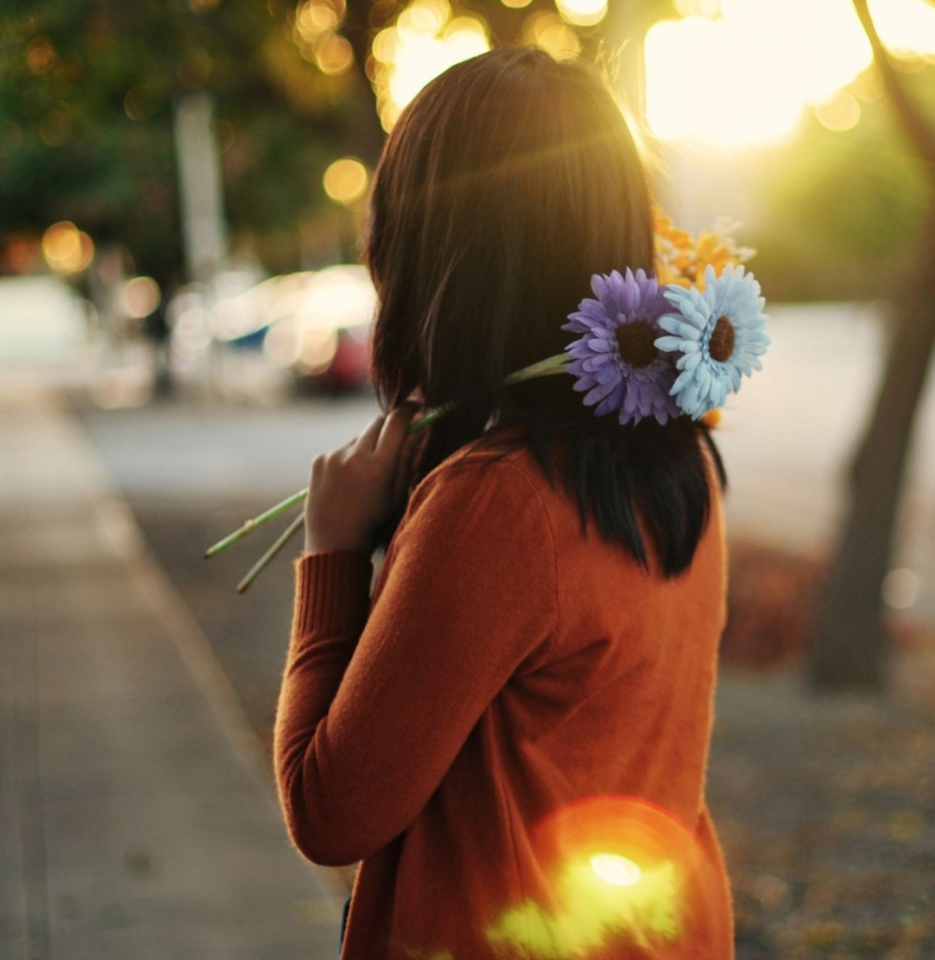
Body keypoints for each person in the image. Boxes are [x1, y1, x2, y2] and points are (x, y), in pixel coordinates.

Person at [273, 47, 734, 959]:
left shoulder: (500, 499)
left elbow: (330, 810)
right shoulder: (682, 454)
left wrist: (330, 553)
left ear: (431, 246)